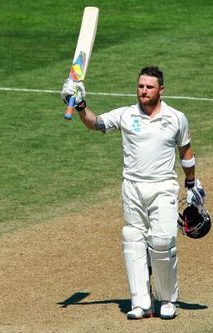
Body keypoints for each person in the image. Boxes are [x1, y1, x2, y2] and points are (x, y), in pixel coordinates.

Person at [61, 66, 205, 320]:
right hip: (132, 187)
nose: (144, 91)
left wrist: (192, 184)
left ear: (161, 89)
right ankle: (140, 303)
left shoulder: (176, 117)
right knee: (133, 239)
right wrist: (81, 105)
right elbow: (96, 124)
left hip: (163, 186)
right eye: (140, 86)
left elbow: (186, 151)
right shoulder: (126, 115)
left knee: (162, 242)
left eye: (149, 87)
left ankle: (167, 299)